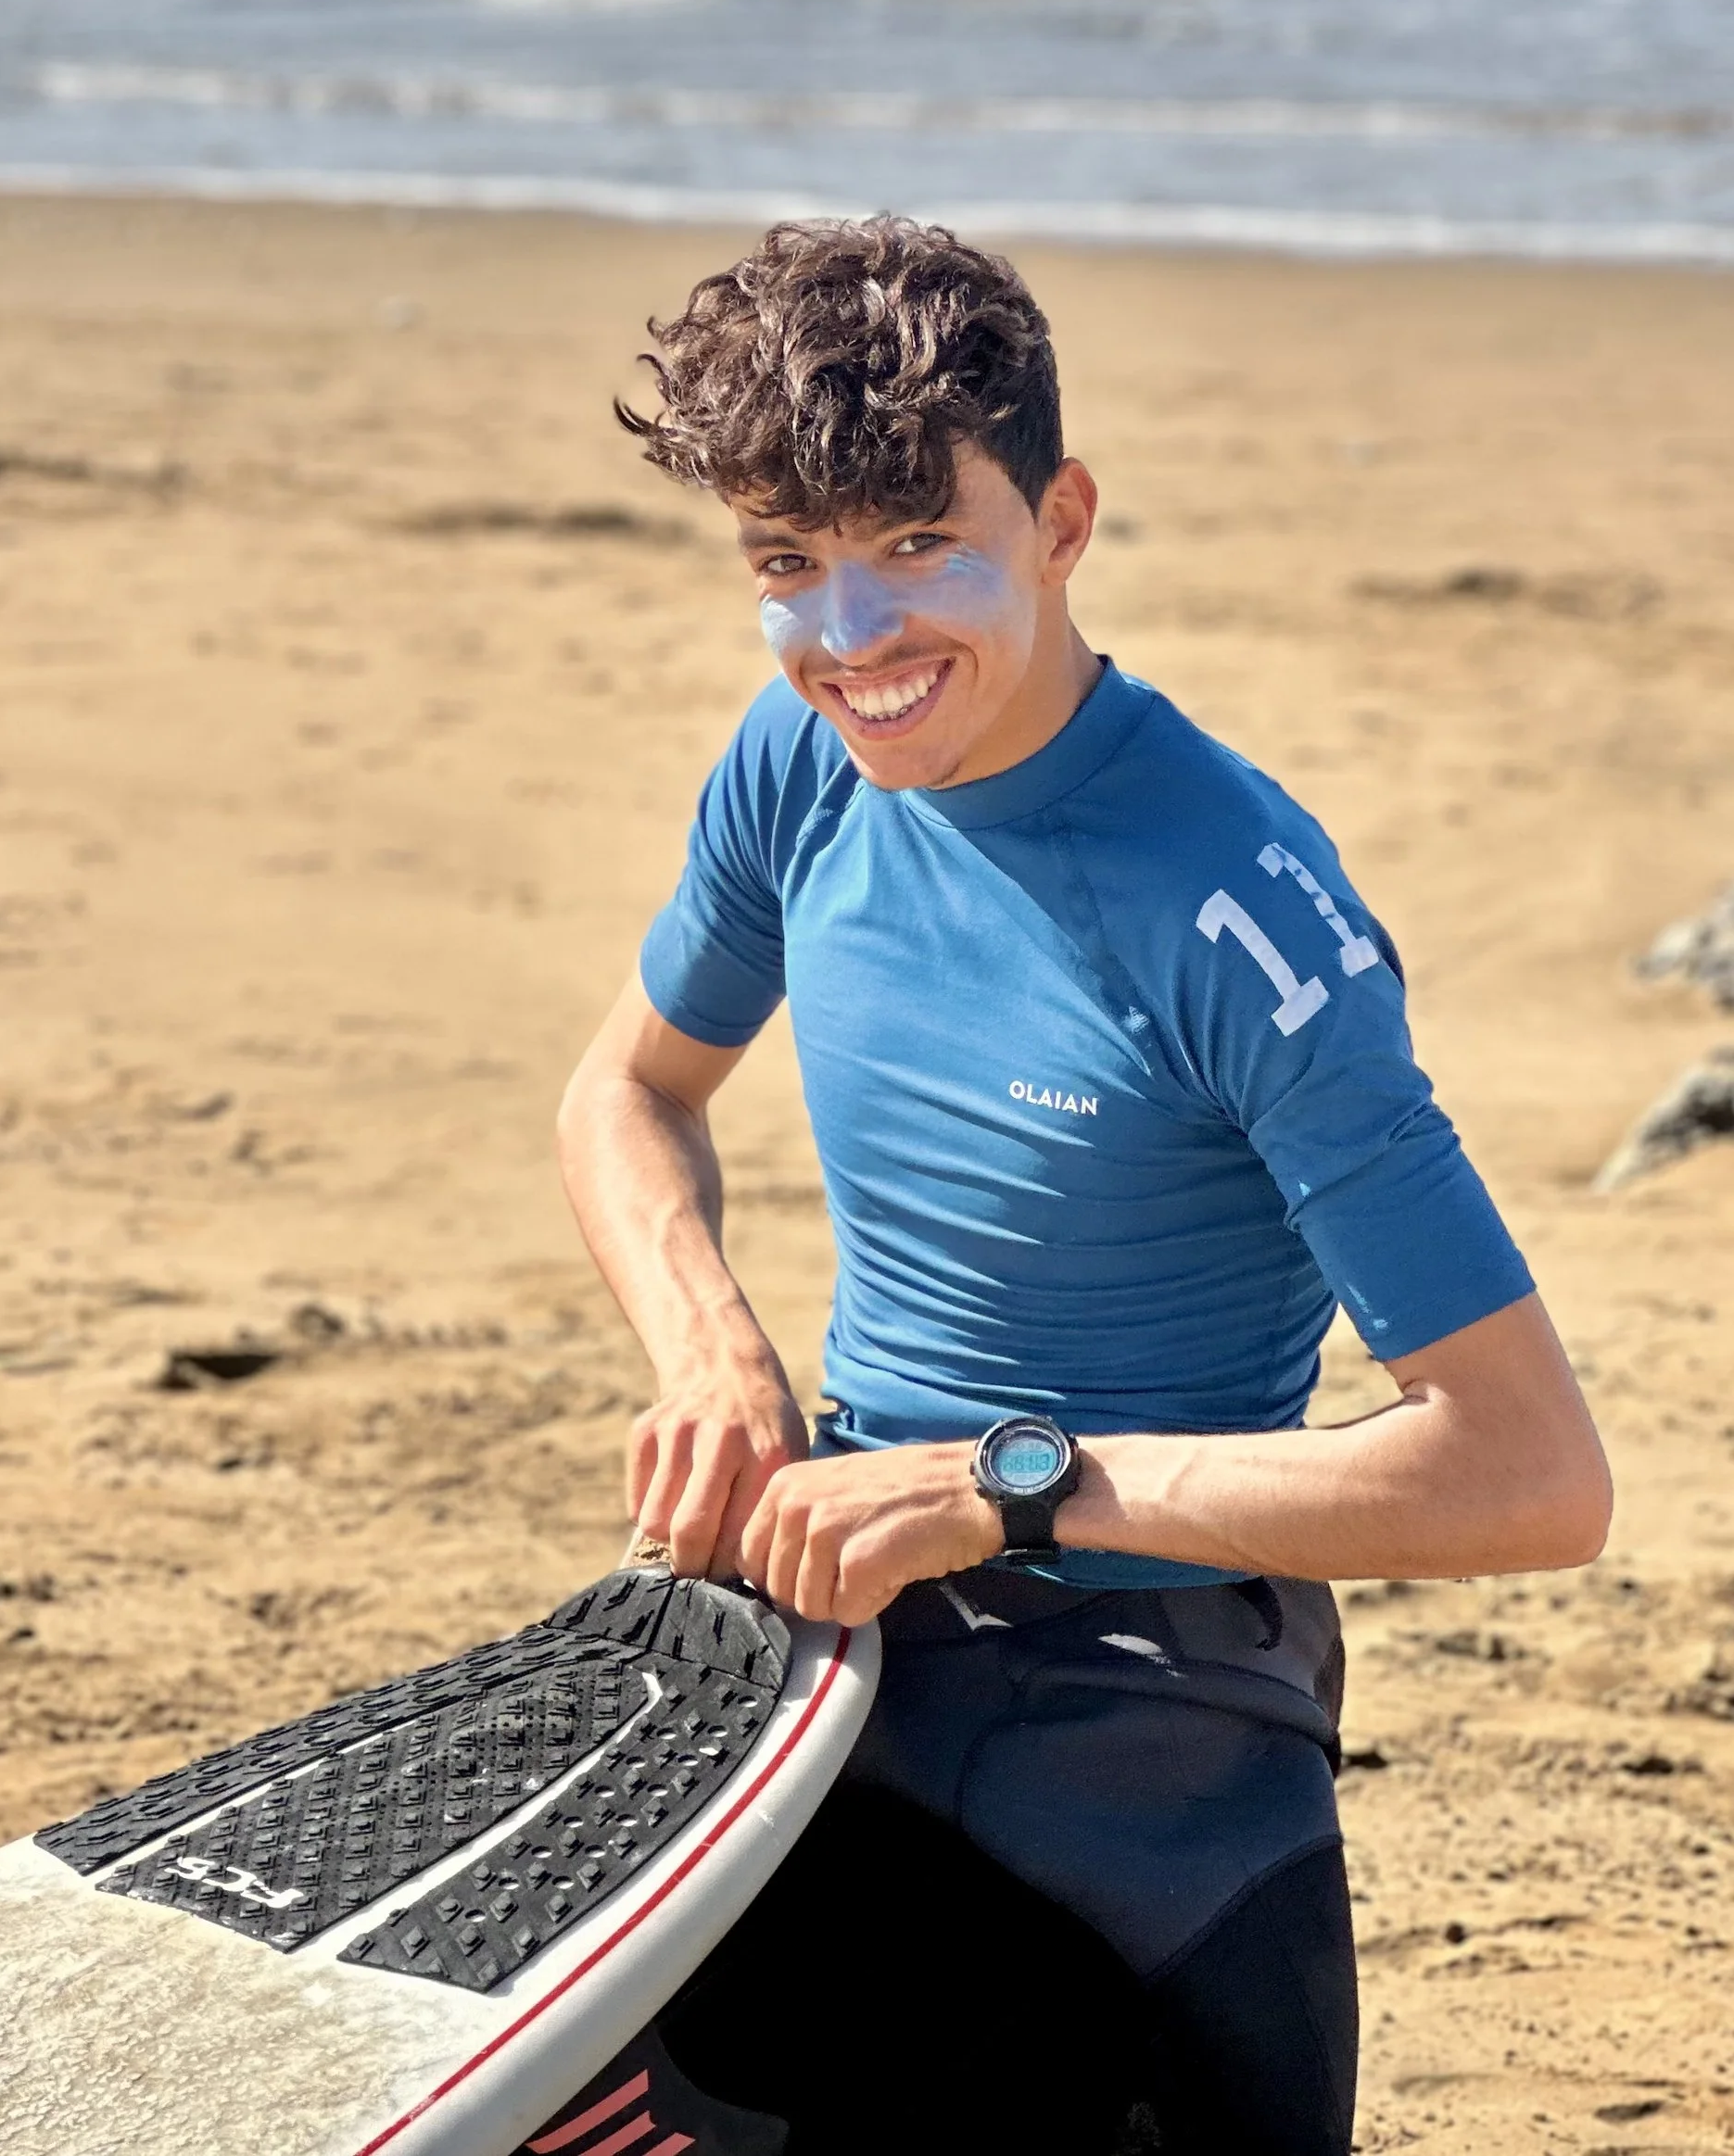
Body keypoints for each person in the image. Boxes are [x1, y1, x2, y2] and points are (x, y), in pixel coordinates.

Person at [551, 217, 1611, 2156]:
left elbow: (1527, 1472)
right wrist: (710, 1351)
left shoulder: (1235, 914)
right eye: (785, 566)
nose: (849, 640)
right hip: (825, 1631)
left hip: (1138, 1699)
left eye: (911, 547)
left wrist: (992, 1489)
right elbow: (623, 1092)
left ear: (1060, 520)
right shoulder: (800, 770)